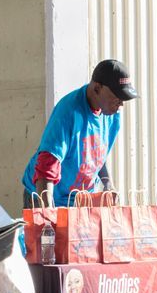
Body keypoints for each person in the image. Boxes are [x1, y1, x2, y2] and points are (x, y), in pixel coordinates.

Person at [23, 58, 138, 201]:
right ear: (97, 88)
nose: (121, 104)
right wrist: (48, 215)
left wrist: (108, 183)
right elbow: (47, 166)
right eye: (117, 97)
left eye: (123, 98)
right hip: (48, 194)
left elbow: (97, 153)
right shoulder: (68, 113)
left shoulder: (110, 112)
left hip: (81, 199)